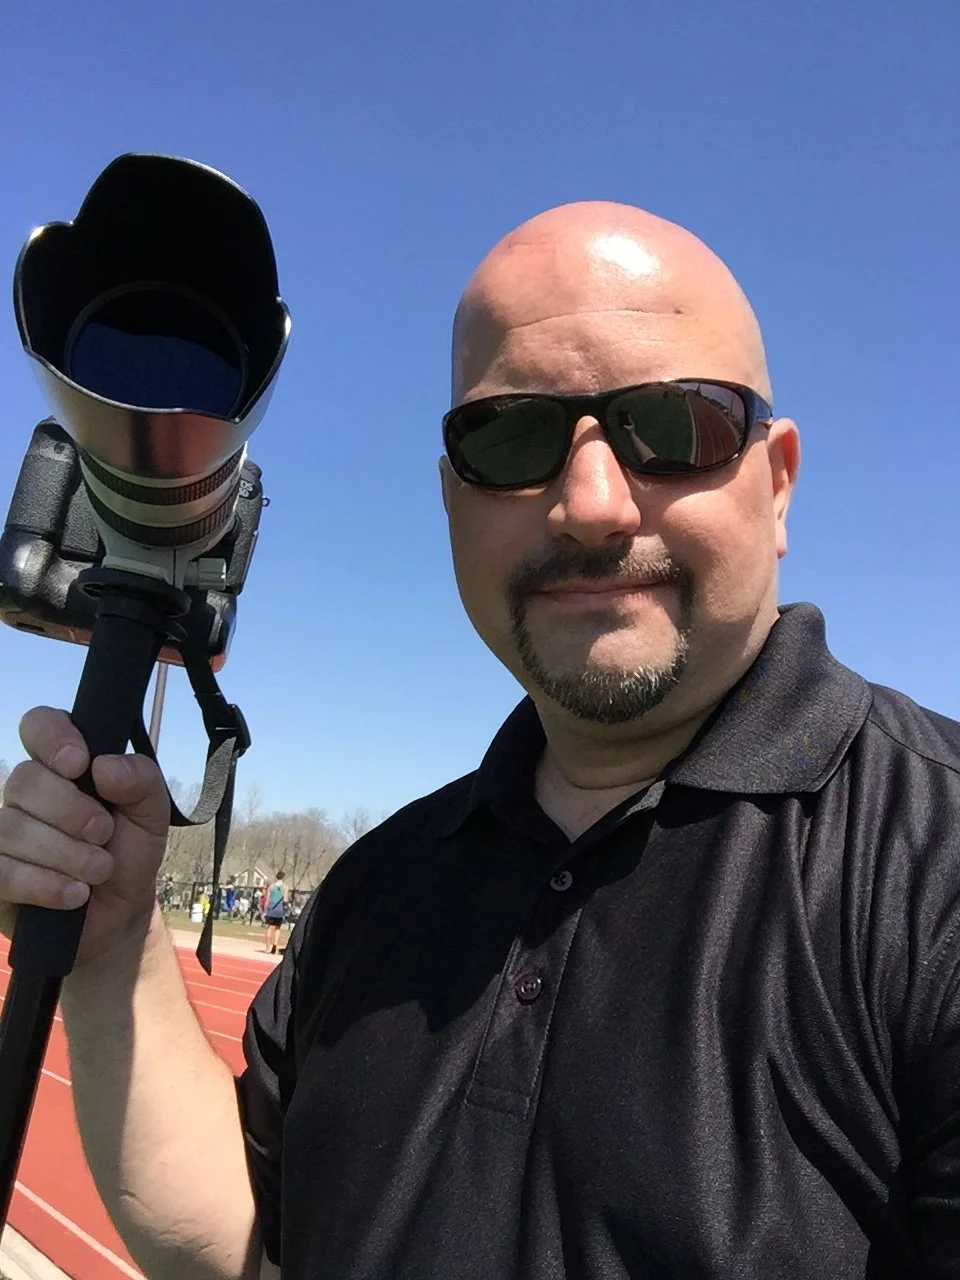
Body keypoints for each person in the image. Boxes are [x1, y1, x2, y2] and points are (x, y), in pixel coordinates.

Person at [1, 201, 959, 1278]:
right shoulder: (378, 885)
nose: (592, 504)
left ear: (775, 483)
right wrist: (116, 940)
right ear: (454, 499)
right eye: (513, 438)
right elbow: (248, 1245)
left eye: (678, 425)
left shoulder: (934, 865)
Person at [262, 872, 287, 955]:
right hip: (279, 908)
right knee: (277, 928)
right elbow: (285, 900)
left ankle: (267, 947)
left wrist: (265, 909)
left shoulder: (271, 886)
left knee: (269, 927)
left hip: (271, 907)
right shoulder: (285, 887)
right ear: (283, 878)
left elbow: (267, 899)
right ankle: (275, 945)